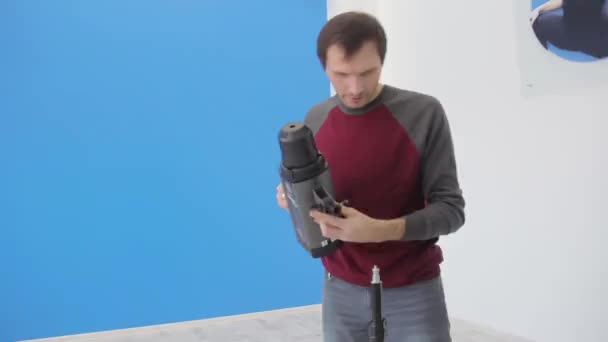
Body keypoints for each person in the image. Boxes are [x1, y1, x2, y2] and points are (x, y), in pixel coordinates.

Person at [276, 11, 465, 342]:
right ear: (324, 67)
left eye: (367, 72)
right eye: (341, 74)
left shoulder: (423, 113)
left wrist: (379, 231)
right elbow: (323, 199)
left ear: (382, 61)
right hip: (341, 290)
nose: (355, 88)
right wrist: (294, 199)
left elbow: (451, 211)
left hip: (413, 290)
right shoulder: (316, 119)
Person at [530, 0, 608, 58]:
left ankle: (540, 66)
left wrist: (539, 9)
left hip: (573, 34)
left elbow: (563, 2)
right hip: (602, 42)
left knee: (537, 22)